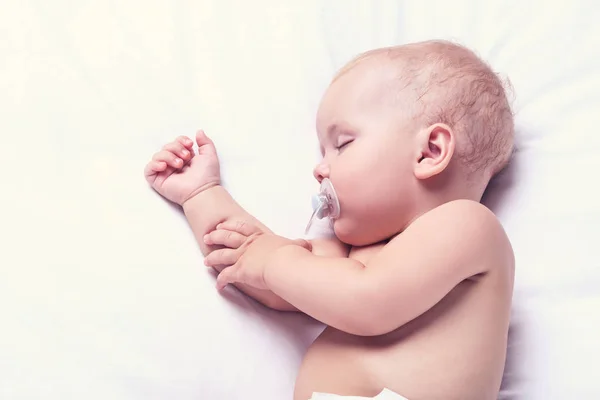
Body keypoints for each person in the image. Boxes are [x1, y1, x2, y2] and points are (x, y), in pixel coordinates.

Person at [144, 40, 515, 400]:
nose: (320, 168)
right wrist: (201, 193)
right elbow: (255, 264)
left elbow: (369, 301)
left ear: (430, 152)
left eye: (343, 143)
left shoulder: (469, 227)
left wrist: (273, 261)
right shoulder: (352, 256)